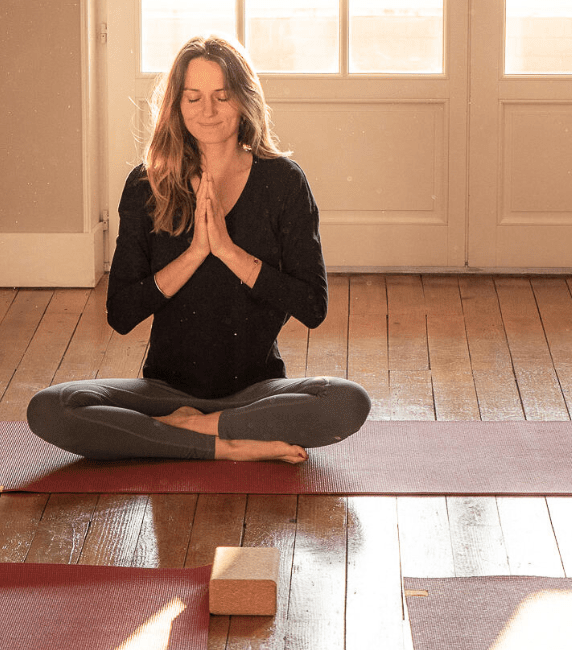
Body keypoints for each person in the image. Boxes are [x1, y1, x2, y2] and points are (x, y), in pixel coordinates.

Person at [27, 33, 371, 464]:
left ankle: (191, 432)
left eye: (221, 96)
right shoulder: (145, 184)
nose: (207, 111)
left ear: (244, 101)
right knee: (51, 408)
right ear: (177, 105)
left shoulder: (282, 181)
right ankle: (225, 444)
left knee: (346, 401)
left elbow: (312, 306)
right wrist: (193, 255)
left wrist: (228, 251)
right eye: (193, 98)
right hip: (165, 394)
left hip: (256, 393)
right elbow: (121, 314)